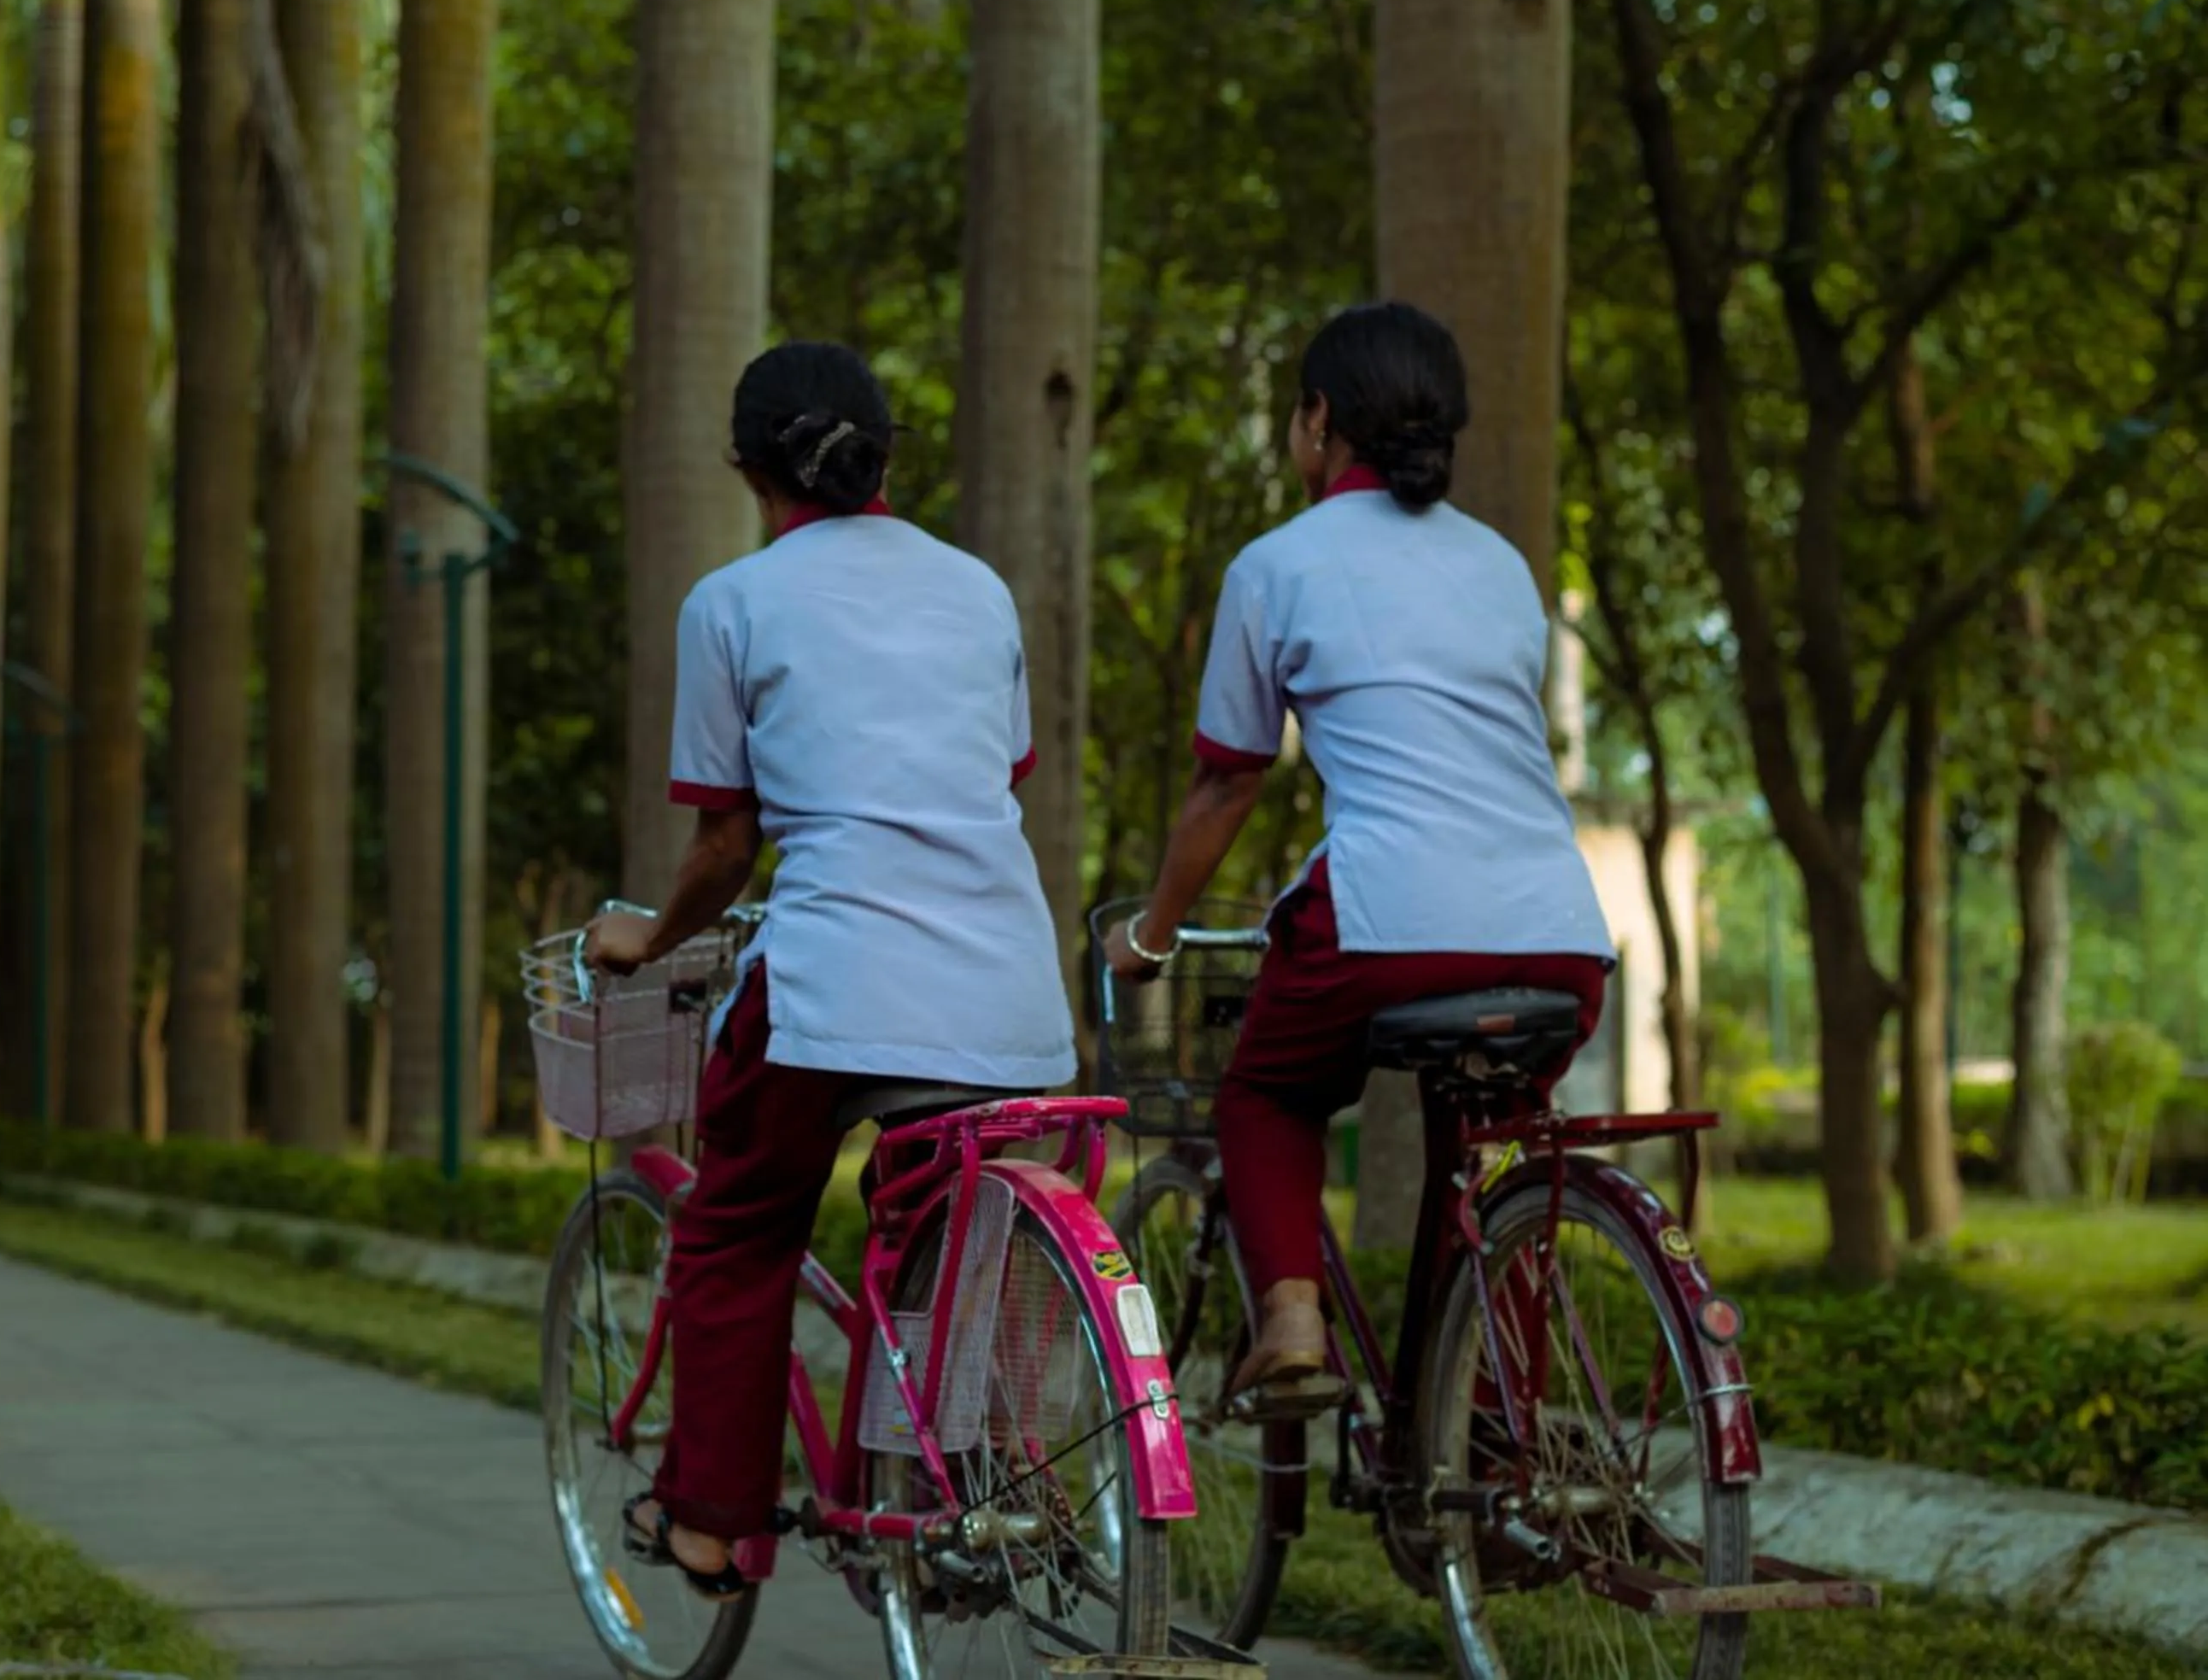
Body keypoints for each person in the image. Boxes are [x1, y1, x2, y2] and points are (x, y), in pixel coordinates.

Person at [585, 340, 1076, 1600]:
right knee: (942, 1235)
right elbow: (987, 778)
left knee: (734, 1228)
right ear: (885, 455)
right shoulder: (978, 590)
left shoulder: (733, 602)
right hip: (1007, 988)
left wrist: (650, 935)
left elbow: (726, 845)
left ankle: (710, 1522)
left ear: (748, 468)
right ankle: (947, 1484)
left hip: (834, 986)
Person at [1104, 301, 1615, 1420]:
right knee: (1490, 1154)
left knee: (1265, 1094)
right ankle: (1494, 1451)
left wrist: (1150, 935)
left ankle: (1292, 1320)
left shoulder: (1277, 566)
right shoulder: (1501, 565)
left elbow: (1229, 781)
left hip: (1387, 922)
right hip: (1562, 936)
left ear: (1319, 419)